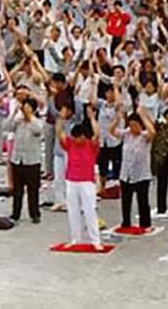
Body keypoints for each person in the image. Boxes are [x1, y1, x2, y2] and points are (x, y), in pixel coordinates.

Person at [56, 105, 103, 249]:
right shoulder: (70, 144)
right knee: (73, 210)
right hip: (71, 180)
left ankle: (95, 240)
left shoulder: (91, 145)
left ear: (84, 136)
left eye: (80, 137)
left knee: (90, 210)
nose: (78, 140)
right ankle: (75, 238)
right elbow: (59, 132)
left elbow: (97, 133)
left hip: (87, 181)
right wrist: (61, 118)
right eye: (76, 137)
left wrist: (92, 118)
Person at [112, 108, 156, 230]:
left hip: (142, 173)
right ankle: (125, 222)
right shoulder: (126, 134)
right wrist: (118, 118)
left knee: (142, 200)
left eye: (135, 125)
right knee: (126, 200)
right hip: (126, 172)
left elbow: (152, 132)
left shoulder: (144, 136)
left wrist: (143, 116)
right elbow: (112, 131)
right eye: (131, 125)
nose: (132, 128)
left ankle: (145, 223)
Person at [6, 96, 43, 223]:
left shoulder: (37, 121)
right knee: (17, 189)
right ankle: (15, 213)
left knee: (33, 189)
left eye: (28, 107)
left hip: (32, 160)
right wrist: (14, 114)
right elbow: (7, 127)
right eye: (24, 107)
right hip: (18, 159)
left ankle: (35, 213)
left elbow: (38, 131)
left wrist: (29, 117)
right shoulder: (18, 120)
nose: (25, 109)